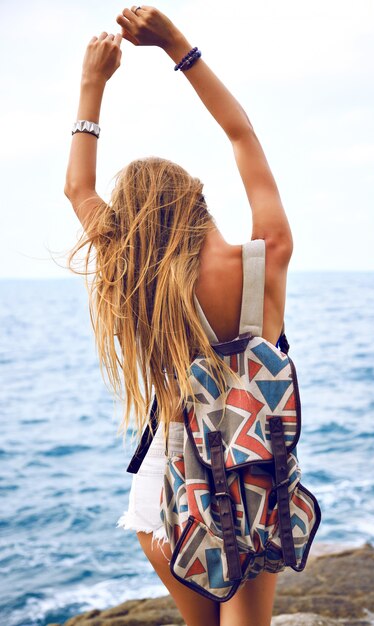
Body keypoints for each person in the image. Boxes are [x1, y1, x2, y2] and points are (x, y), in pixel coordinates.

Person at [65, 5, 293, 626]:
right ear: (197, 199)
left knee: (184, 590)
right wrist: (176, 46)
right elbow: (242, 134)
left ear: (131, 230)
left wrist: (93, 85)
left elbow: (77, 190)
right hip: (255, 460)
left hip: (175, 466)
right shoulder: (265, 258)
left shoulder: (131, 276)